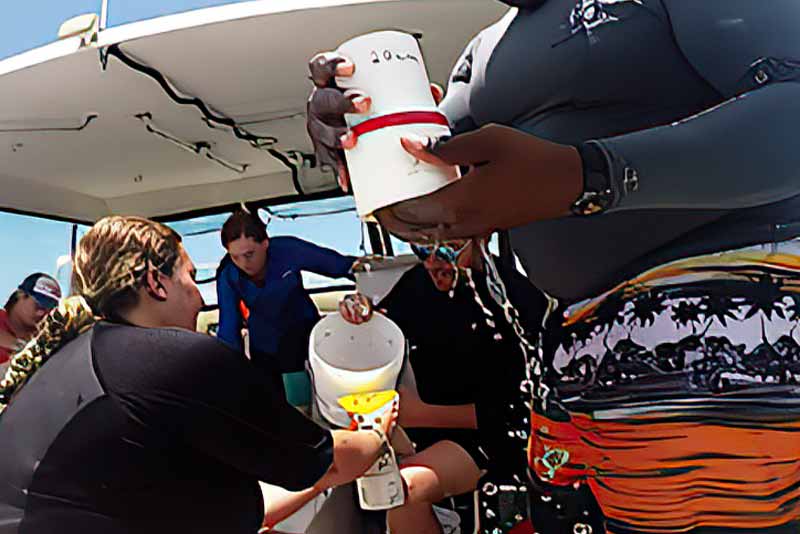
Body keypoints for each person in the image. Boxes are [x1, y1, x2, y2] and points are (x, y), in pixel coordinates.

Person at [307, 1, 800, 532]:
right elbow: (432, 192)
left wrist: (587, 174)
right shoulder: (479, 55)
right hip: (589, 378)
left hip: (739, 340)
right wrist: (366, 144)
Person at [0, 216, 394, 534]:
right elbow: (328, 462)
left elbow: (242, 506)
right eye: (189, 277)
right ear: (156, 281)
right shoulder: (174, 360)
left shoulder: (64, 360)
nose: (200, 296)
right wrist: (377, 432)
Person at [339, 238, 545, 534]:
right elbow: (386, 325)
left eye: (449, 247)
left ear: (481, 237)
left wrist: (420, 414)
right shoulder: (417, 283)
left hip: (492, 439)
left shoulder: (513, 298)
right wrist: (363, 315)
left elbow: (521, 412)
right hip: (427, 428)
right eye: (422, 248)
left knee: (400, 490)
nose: (433, 261)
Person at [216, 210, 358, 374]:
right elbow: (228, 328)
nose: (244, 263)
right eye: (235, 257)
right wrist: (228, 371)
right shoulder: (227, 274)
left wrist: (369, 274)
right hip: (265, 348)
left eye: (249, 254)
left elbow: (338, 265)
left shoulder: (288, 249)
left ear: (265, 243)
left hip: (305, 333)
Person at [0, 273, 61, 365]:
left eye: (49, 309)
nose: (42, 313)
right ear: (21, 295)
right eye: (39, 305)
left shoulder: (47, 342)